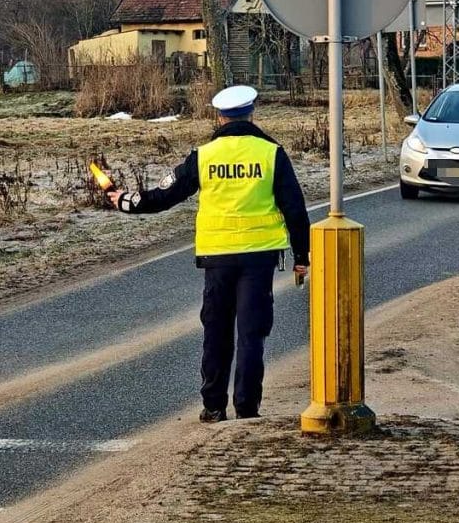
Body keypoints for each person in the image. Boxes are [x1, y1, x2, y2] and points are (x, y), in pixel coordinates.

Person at [108, 85, 310, 423]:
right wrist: (302, 255)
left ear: (219, 116)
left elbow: (164, 195)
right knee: (251, 333)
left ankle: (213, 406)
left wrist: (127, 203)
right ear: (252, 112)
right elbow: (295, 209)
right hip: (259, 258)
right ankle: (247, 407)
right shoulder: (271, 153)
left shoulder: (203, 156)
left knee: (216, 332)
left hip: (217, 258)